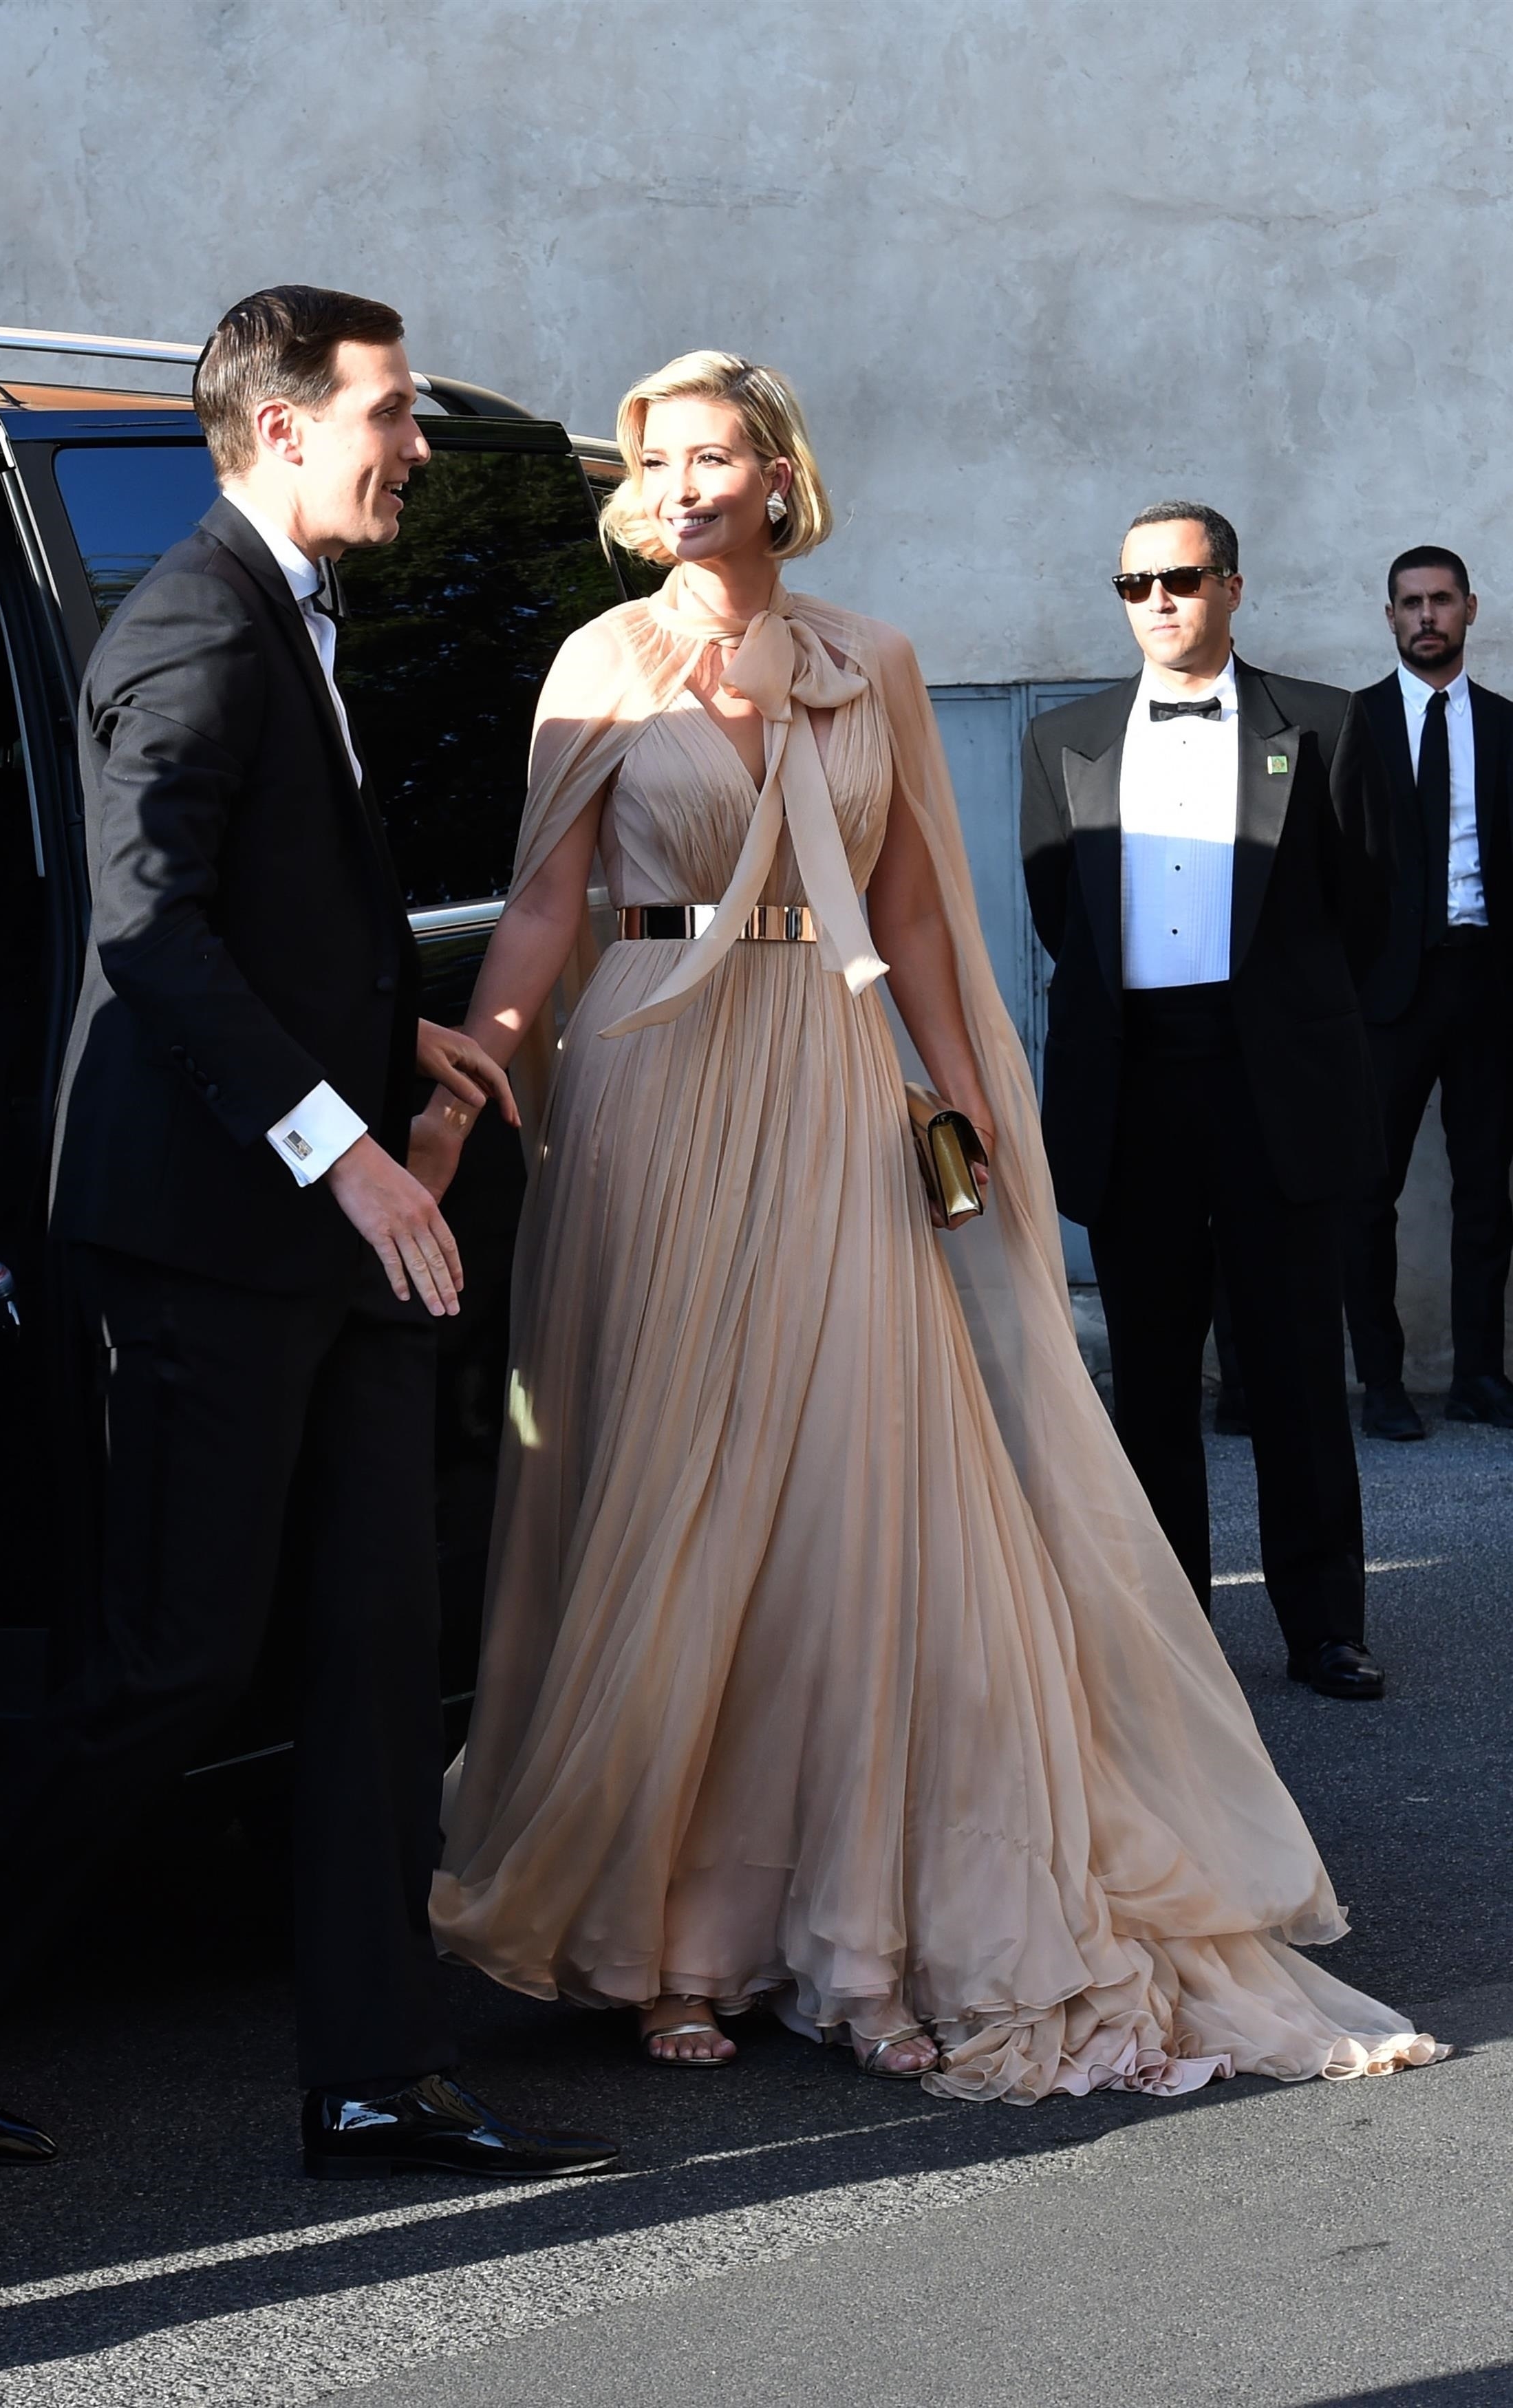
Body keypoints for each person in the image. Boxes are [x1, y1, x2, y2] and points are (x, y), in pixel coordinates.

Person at [422, 357, 1439, 2099]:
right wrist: (461, 1093)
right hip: (654, 1085)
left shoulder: (872, 659)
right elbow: (538, 910)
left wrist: (971, 1120)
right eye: (656, 464)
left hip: (832, 1077)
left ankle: (858, 1927)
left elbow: (913, 918)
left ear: (777, 472)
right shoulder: (599, 661)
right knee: (672, 1494)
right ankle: (666, 1936)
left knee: (851, 1501)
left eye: (712, 455)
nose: (679, 485)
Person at [0, 286, 616, 2182]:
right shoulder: (190, 629)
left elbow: (269, 915)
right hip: (212, 1242)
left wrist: (396, 1047)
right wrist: (348, 1151)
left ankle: (378, 2080)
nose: (413, 448)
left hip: (336, 1233)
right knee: (177, 1663)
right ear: (285, 425)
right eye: (390, 413)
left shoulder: (294, 612)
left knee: (379, 1654)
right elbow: (148, 933)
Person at [1020, 504, 1389, 1703]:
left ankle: (1326, 1627)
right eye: (1133, 583)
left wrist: (1293, 1022)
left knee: (1294, 1370)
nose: (1158, 601)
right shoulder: (1062, 739)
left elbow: (1367, 909)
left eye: (1179, 578)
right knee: (1151, 1378)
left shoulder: (1322, 724)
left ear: (1231, 585)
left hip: (1273, 1081)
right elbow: (1061, 920)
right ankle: (1167, 1640)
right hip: (1134, 1086)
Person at [1342, 546, 1513, 1439]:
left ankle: (1479, 1377)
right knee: (1367, 1193)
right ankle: (1382, 1382)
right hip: (1385, 997)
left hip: (1487, 987)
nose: (1426, 617)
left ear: (1468, 609)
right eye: (1410, 603)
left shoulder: (1506, 727)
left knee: (1486, 1193)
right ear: (1390, 617)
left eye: (1440, 600)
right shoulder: (1352, 726)